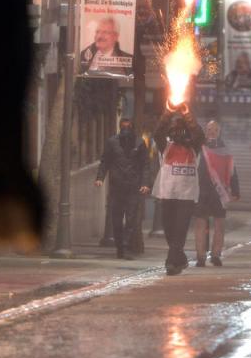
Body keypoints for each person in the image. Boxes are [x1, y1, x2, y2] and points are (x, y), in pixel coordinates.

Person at [152, 104, 205, 275]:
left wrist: (187, 113)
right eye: (175, 130)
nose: (178, 134)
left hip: (186, 196)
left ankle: (171, 263)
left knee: (180, 230)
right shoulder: (165, 146)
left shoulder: (193, 148)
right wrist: (167, 110)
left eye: (182, 130)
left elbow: (199, 135)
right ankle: (180, 259)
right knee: (169, 231)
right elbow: (157, 133)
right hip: (167, 194)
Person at [95, 118, 150, 259]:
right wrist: (100, 178)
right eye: (123, 127)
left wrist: (145, 183)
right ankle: (120, 248)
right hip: (116, 187)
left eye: (128, 127)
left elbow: (145, 165)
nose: (125, 129)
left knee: (131, 218)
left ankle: (125, 245)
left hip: (133, 187)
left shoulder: (139, 143)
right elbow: (105, 161)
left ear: (133, 128)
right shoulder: (112, 142)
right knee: (117, 219)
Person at [193, 120, 240, 267]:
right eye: (209, 129)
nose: (211, 132)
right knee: (200, 224)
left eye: (214, 130)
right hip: (202, 192)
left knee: (220, 224)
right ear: (205, 132)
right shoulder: (200, 148)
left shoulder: (225, 149)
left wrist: (236, 190)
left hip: (219, 193)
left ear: (219, 132)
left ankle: (216, 255)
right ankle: (200, 256)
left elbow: (232, 170)